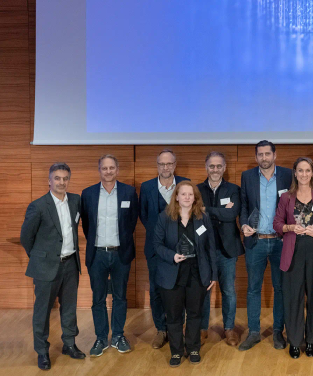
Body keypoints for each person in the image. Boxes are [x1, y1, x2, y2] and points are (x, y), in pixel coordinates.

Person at [20, 163, 85, 370]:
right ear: (49, 180)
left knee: (69, 307)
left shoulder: (75, 200)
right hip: (45, 266)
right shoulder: (38, 206)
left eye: (65, 178)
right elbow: (26, 238)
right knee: (43, 311)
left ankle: (69, 344)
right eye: (57, 178)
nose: (61, 182)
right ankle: (42, 351)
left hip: (71, 264)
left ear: (69, 180)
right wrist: (40, 258)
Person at [273, 157, 313, 359]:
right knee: (294, 298)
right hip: (294, 252)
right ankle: (294, 341)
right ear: (295, 173)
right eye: (300, 170)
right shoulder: (286, 197)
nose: (304, 174)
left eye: (307, 170)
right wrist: (290, 227)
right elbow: (277, 224)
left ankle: (311, 340)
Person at [80, 155, 140, 356]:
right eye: (104, 168)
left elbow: (131, 222)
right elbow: (87, 224)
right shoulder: (88, 193)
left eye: (111, 168)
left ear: (117, 169)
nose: (108, 171)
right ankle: (100, 338)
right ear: (99, 170)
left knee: (120, 297)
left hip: (120, 253)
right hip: (97, 254)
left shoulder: (128, 192)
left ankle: (118, 336)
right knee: (98, 298)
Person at [153, 181, 217, 367]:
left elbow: (210, 247)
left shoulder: (202, 218)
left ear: (195, 198)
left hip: (197, 273)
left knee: (195, 314)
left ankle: (193, 348)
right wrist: (172, 256)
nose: (187, 197)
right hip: (171, 274)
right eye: (183, 194)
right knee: (174, 316)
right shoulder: (164, 217)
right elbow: (156, 245)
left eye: (190, 194)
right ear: (176, 197)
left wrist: (213, 275)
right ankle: (176, 351)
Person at [239, 140, 293, 351]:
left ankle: (278, 331)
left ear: (274, 155)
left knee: (280, 288)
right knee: (253, 288)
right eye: (260, 154)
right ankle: (254, 332)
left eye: (267, 154)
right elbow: (244, 205)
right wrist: (244, 224)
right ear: (256, 157)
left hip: (281, 241)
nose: (264, 158)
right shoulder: (247, 176)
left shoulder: (288, 175)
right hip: (256, 241)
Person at [139, 149, 189, 349]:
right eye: (162, 164)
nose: (165, 167)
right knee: (156, 290)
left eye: (169, 164)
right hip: (155, 249)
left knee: (180, 289)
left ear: (175, 165)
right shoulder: (146, 187)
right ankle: (161, 329)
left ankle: (177, 329)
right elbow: (144, 216)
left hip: (181, 248)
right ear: (157, 165)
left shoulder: (185, 184)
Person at [197, 151, 243, 347]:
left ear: (224, 168)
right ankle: (202, 328)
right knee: (203, 291)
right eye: (211, 166)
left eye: (218, 166)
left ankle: (229, 328)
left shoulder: (234, 189)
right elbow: (194, 214)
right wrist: (221, 212)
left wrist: (207, 210)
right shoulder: (197, 190)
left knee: (229, 291)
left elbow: (232, 214)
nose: (215, 169)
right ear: (206, 167)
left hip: (227, 249)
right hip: (204, 249)